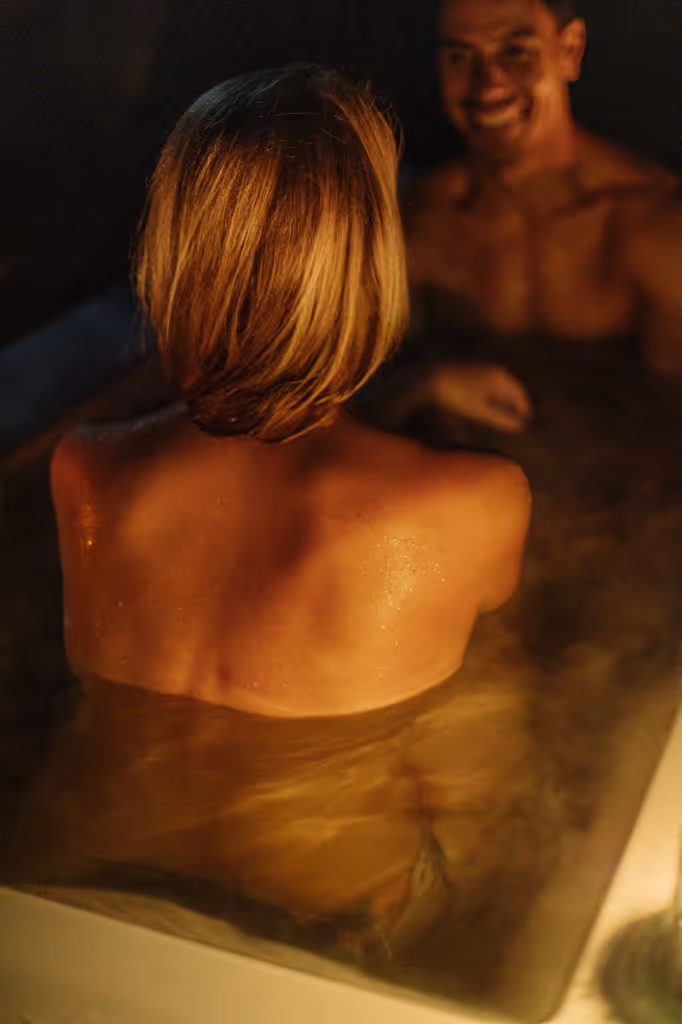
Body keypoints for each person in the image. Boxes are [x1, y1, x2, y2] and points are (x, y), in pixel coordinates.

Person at [49, 65, 531, 719]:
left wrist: (420, 386)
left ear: (174, 252)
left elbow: (257, 472)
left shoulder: (83, 471)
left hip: (96, 784)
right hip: (343, 790)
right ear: (369, 261)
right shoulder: (479, 505)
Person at [379, 0, 681, 433]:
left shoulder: (655, 226)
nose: (488, 85)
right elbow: (337, 402)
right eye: (460, 56)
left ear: (569, 51)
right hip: (469, 465)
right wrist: (425, 385)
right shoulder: (415, 221)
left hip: (617, 467)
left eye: (515, 51)